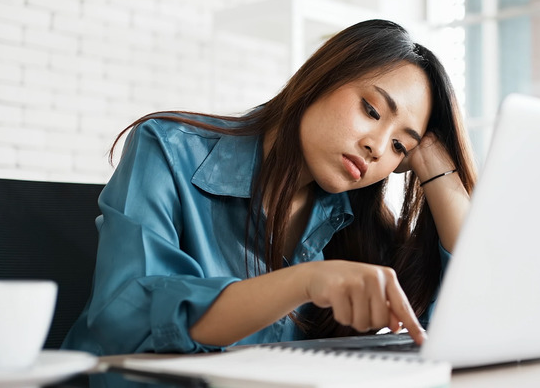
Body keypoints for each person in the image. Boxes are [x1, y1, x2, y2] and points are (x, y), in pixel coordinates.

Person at [62, 19, 477, 356]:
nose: (378, 147)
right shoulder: (168, 149)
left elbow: (466, 319)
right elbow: (127, 318)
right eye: (371, 110)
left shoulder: (356, 223)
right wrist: (305, 281)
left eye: (400, 146)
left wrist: (437, 168)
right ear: (322, 76)